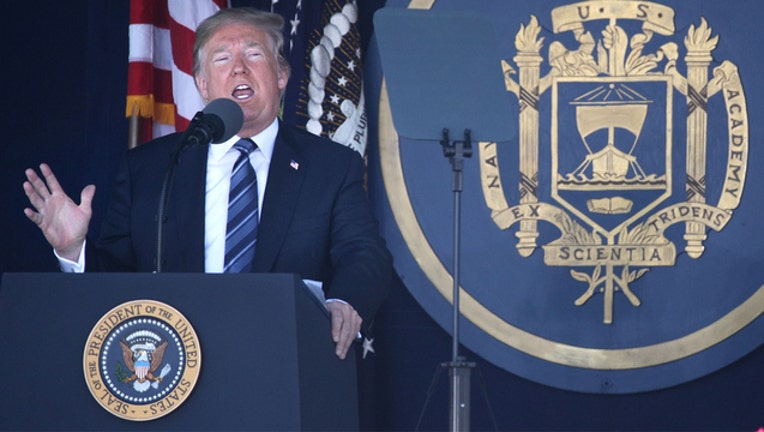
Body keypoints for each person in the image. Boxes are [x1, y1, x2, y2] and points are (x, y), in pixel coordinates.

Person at [22, 7, 391, 360]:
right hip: (176, 372)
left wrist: (344, 303)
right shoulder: (150, 169)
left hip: (286, 364)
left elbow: (364, 255)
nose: (239, 69)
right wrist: (74, 250)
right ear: (201, 83)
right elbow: (118, 280)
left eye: (253, 54)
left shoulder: (330, 165)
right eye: (222, 59)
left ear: (281, 75)